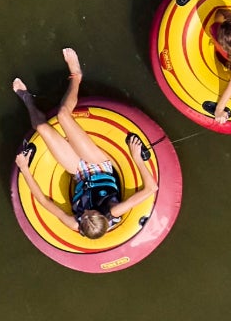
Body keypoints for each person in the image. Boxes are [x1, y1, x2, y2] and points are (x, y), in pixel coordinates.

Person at [12, 48, 158, 241]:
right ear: (100, 215)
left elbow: (43, 201)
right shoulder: (114, 210)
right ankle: (76, 76)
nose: (86, 211)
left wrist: (25, 169)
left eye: (84, 216)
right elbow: (151, 189)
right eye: (91, 213)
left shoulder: (74, 222)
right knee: (63, 115)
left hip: (79, 173)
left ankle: (29, 101)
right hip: (99, 166)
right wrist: (137, 158)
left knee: (42, 129)